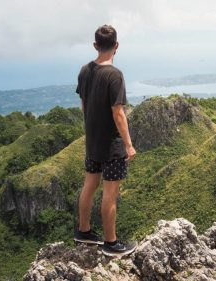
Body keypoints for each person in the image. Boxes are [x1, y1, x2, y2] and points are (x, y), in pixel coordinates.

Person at [73, 24, 137, 257]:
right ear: (117, 46)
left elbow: (84, 106)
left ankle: (84, 231)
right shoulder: (114, 75)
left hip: (92, 142)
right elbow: (118, 113)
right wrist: (128, 145)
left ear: (95, 45)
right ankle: (111, 243)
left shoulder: (84, 70)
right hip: (112, 146)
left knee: (89, 186)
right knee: (110, 193)